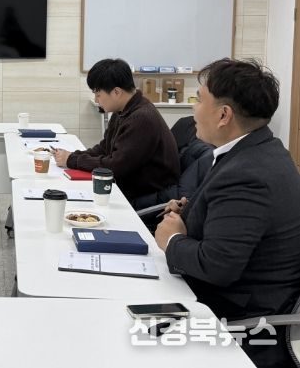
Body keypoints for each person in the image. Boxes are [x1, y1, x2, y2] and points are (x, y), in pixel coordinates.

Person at [155, 58, 300, 368]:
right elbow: (233, 220)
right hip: (232, 298)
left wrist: (172, 239)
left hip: (238, 317)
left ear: (223, 115)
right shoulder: (261, 150)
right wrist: (190, 213)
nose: (193, 109)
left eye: (199, 100)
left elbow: (217, 266)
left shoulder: (247, 174)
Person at [52, 58, 180, 206]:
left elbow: (115, 166)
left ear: (116, 92)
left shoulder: (141, 118)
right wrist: (73, 156)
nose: (96, 100)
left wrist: (73, 160)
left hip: (146, 197)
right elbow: (104, 148)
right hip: (128, 187)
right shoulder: (123, 110)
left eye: (98, 94)